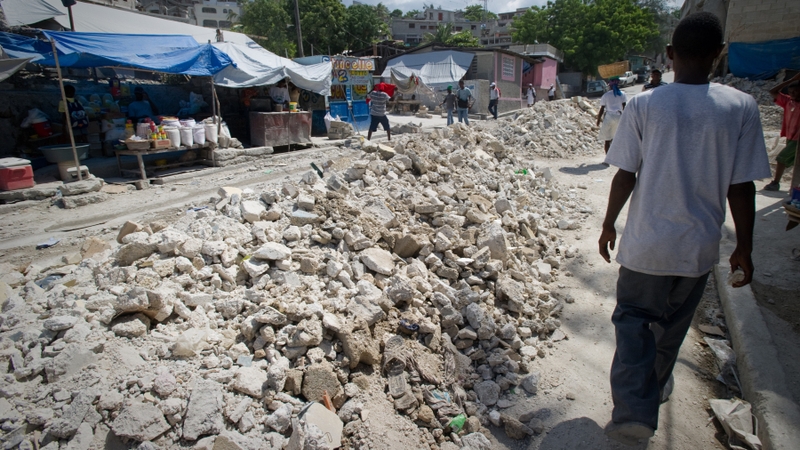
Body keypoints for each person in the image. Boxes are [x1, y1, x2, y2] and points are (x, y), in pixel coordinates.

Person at [598, 12, 770, 446]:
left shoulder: (644, 104)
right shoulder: (740, 107)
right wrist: (744, 247)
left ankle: (633, 412)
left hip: (646, 248)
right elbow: (741, 187)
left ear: (670, 54)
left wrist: (608, 223)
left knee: (633, 324)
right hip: (697, 251)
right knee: (670, 330)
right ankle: (652, 394)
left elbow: (625, 174)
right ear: (718, 54)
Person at [762, 73, 800, 191]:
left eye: (796, 91)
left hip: (797, 139)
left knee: (781, 158)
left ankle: (775, 183)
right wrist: (791, 80)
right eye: (790, 91)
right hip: (790, 137)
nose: (792, 93)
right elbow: (773, 91)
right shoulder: (788, 101)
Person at [597, 77, 628, 155]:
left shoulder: (606, 95)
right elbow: (624, 107)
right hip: (619, 117)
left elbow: (602, 109)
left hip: (609, 117)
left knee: (607, 140)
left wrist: (598, 120)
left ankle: (608, 157)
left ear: (610, 85)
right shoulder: (622, 94)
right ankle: (615, 156)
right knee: (616, 138)